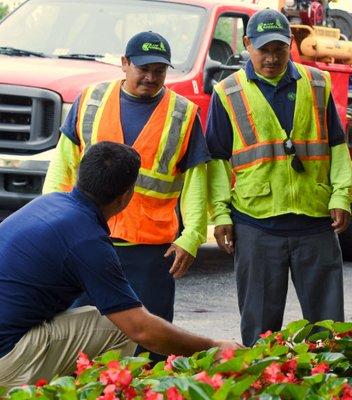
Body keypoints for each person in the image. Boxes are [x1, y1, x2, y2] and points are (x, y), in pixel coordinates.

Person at [0, 141, 239, 388]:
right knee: (118, 328)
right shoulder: (87, 239)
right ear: (126, 196)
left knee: (94, 315)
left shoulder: (48, 203)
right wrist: (213, 347)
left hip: (10, 335)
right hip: (6, 359)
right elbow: (141, 329)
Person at [42, 31, 210, 360]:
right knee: (80, 341)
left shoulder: (183, 113)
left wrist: (192, 236)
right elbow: (62, 164)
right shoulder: (90, 99)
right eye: (143, 68)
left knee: (152, 345)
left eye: (159, 70)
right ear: (124, 63)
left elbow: (195, 179)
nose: (151, 77)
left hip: (152, 250)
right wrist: (53, 221)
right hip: (88, 241)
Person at [206, 8, 352, 347]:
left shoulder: (317, 83)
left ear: (291, 45)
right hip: (256, 226)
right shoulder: (227, 93)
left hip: (315, 224)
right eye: (263, 49)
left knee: (329, 335)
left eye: (279, 48)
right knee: (259, 336)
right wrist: (222, 216)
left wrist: (341, 196)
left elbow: (338, 147)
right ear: (246, 45)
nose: (272, 58)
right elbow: (215, 163)